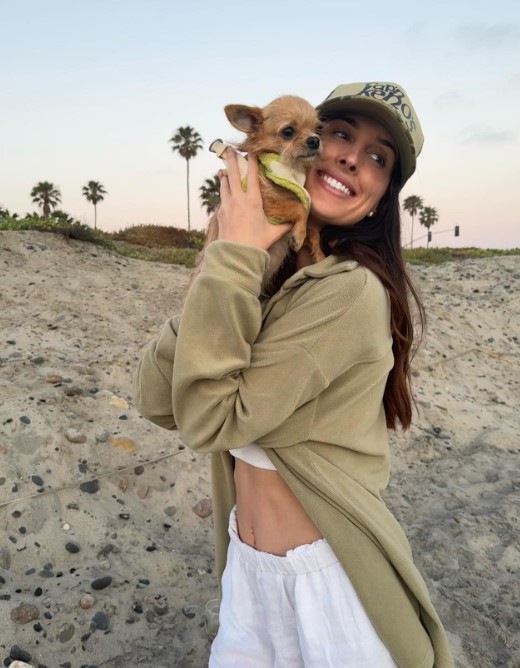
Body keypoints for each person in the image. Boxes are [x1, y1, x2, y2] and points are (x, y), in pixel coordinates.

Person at [133, 81, 454, 667]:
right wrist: (224, 258)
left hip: (328, 580)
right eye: (339, 134)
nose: (351, 157)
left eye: (378, 158)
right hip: (247, 568)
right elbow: (156, 399)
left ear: (382, 197)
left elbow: (207, 419)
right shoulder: (268, 273)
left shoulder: (350, 292)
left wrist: (231, 262)